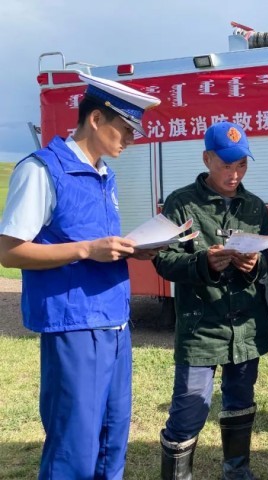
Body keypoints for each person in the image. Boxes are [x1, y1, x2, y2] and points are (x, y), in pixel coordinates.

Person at [0, 73, 160, 479]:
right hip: (74, 326)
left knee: (111, 441)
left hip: (114, 323)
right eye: (126, 128)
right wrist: (88, 249)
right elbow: (9, 251)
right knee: (75, 447)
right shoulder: (42, 170)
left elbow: (93, 242)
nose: (132, 139)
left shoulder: (105, 174)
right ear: (96, 119)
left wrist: (131, 249)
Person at [154, 121, 268, 480]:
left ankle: (237, 472)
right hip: (201, 326)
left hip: (245, 327)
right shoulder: (181, 203)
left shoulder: (254, 207)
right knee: (189, 409)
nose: (235, 174)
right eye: (226, 165)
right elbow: (163, 259)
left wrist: (254, 264)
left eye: (242, 165)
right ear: (207, 159)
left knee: (240, 403)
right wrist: (202, 262)